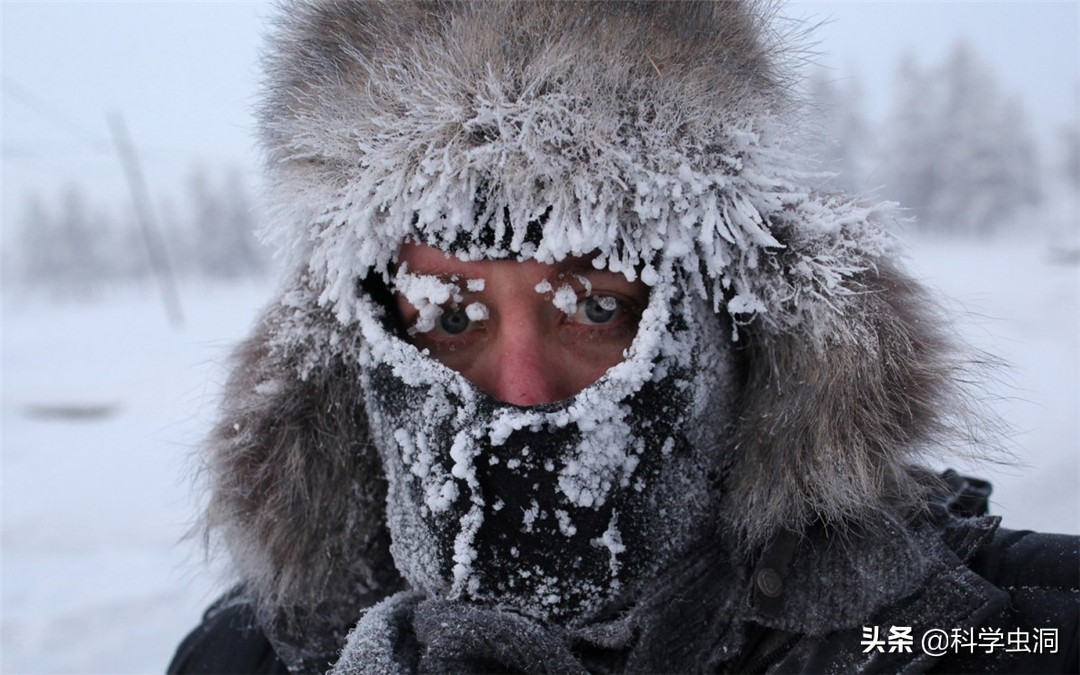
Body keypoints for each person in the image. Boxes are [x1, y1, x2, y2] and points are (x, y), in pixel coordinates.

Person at [169, 1, 1079, 673]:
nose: (522, 390)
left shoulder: (981, 630)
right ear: (360, 350)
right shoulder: (247, 656)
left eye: (596, 308)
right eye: (450, 317)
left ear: (723, 321)